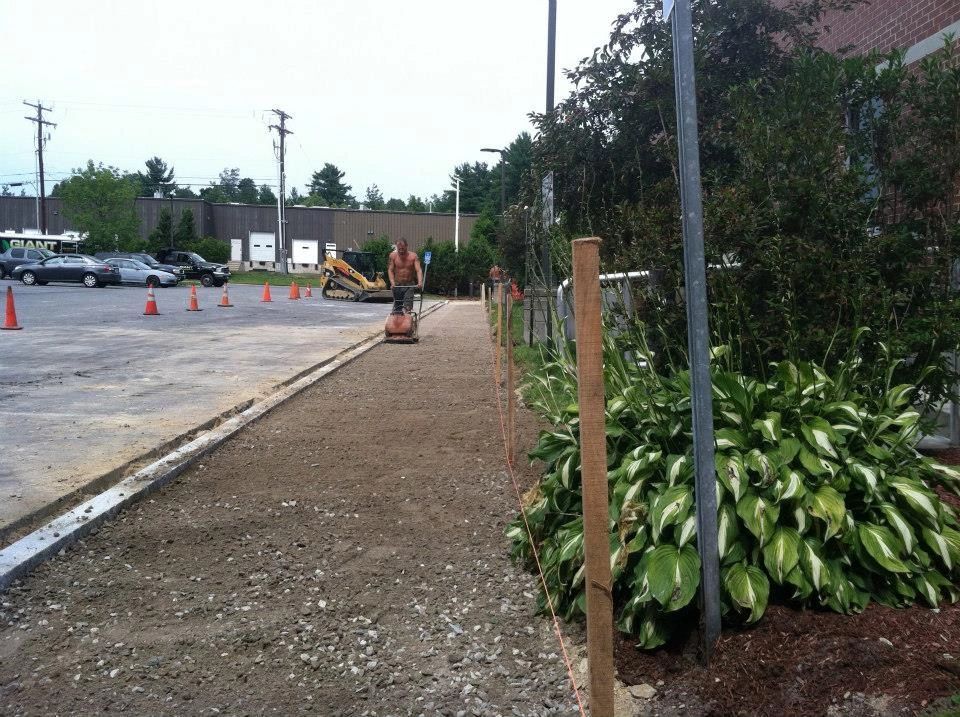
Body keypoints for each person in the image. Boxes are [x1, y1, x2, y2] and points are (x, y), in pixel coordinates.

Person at [387, 239, 423, 313]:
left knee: (407, 307)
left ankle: (408, 320)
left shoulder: (413, 256)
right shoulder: (393, 256)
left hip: (409, 285)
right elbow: (390, 270)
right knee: (397, 308)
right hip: (397, 285)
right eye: (399, 249)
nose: (401, 251)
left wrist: (420, 282)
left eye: (403, 248)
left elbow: (418, 270)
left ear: (406, 246)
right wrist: (392, 282)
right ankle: (398, 321)